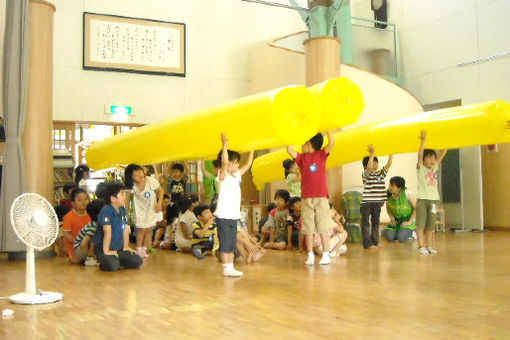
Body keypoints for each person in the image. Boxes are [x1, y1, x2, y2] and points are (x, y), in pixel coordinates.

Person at [287, 131, 335, 266]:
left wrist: (329, 131)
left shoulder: (321, 155)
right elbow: (289, 150)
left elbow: (332, 143)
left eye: (304, 143)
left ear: (309, 144)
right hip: (307, 198)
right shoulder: (302, 158)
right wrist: (289, 136)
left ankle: (326, 254)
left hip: (321, 196)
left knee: (323, 225)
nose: (301, 145)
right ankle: (310, 255)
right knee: (308, 227)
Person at [214, 132, 254, 277]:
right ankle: (226, 268)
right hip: (224, 215)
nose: (238, 165)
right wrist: (225, 145)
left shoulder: (236, 176)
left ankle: (230, 266)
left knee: (231, 242)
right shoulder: (222, 175)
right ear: (229, 164)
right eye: (236, 162)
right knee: (225, 243)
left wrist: (252, 149)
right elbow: (224, 162)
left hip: (232, 216)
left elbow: (248, 164)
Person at [93, 182, 143, 272]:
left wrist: (126, 246)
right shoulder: (106, 211)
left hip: (118, 248)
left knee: (138, 261)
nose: (124, 196)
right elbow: (107, 232)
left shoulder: (122, 209)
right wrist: (106, 251)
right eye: (122, 194)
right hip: (103, 248)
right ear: (113, 198)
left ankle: (117, 259)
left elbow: (125, 228)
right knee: (112, 266)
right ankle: (106, 259)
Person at [416, 130, 447, 254]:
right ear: (423, 160)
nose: (432, 160)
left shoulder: (434, 167)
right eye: (428, 158)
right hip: (422, 200)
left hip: (433, 200)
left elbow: (442, 154)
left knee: (430, 225)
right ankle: (420, 246)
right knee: (421, 225)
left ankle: (429, 245)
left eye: (433, 157)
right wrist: (423, 141)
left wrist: (447, 144)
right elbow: (419, 155)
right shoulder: (421, 168)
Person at [124, 164, 163, 259]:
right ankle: (139, 249)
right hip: (140, 210)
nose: (139, 174)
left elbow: (161, 190)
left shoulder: (150, 180)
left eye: (139, 171)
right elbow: (127, 200)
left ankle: (144, 249)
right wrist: (126, 213)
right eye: (135, 175)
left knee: (149, 229)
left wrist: (159, 203)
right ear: (131, 178)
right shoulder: (132, 186)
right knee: (141, 230)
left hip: (151, 209)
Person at [361, 145, 393, 250]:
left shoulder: (380, 174)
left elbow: (388, 165)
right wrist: (372, 154)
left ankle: (374, 242)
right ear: (366, 166)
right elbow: (369, 168)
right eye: (373, 162)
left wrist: (391, 154)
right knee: (366, 223)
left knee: (375, 223)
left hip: (377, 202)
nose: (375, 165)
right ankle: (367, 244)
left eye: (376, 163)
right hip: (367, 203)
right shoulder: (366, 174)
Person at [383, 176, 417, 243]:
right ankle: (398, 232)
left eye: (392, 185)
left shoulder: (407, 194)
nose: (389, 187)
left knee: (401, 238)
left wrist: (409, 222)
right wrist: (392, 218)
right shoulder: (388, 195)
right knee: (390, 238)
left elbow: (417, 208)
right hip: (396, 221)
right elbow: (388, 209)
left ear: (399, 188)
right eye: (390, 184)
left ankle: (412, 233)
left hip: (407, 220)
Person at [62, 188, 91, 264]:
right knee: (77, 261)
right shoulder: (68, 216)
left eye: (85, 199)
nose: (84, 202)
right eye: (79, 200)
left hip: (87, 243)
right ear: (72, 203)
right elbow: (66, 234)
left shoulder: (90, 214)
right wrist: (78, 242)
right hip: (73, 244)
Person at [73, 199, 105, 266]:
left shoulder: (97, 224)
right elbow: (83, 243)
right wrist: (89, 254)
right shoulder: (94, 226)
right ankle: (90, 259)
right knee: (95, 238)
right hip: (80, 249)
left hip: (82, 248)